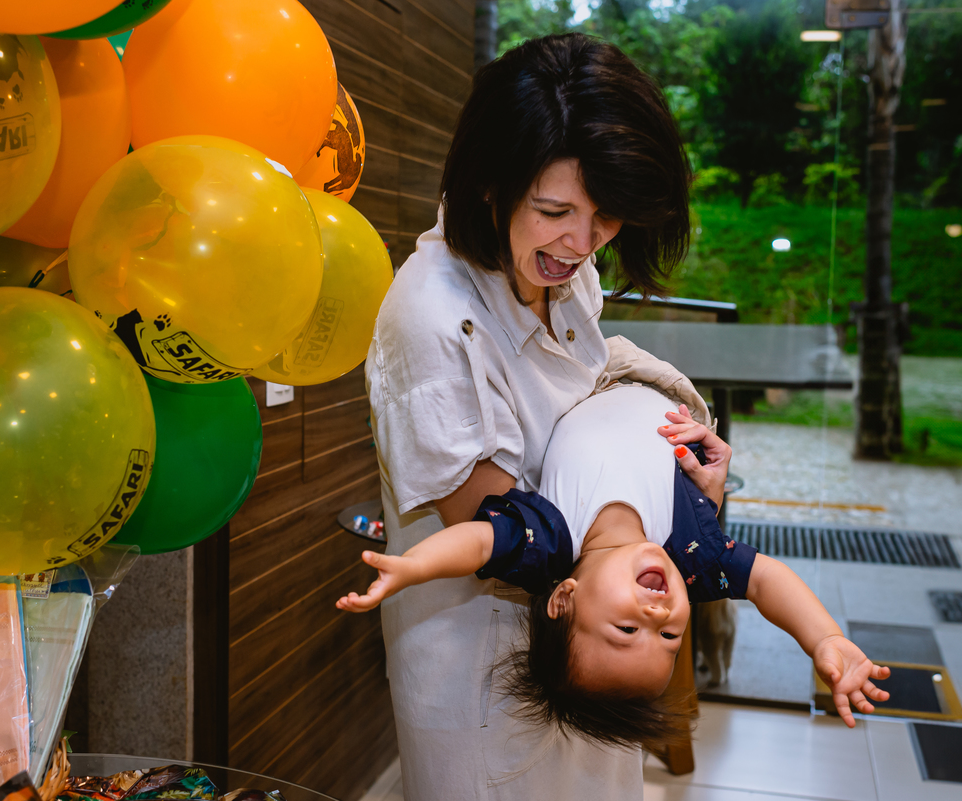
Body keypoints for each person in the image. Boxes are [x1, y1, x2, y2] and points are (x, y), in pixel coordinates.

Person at [367, 32, 701, 801]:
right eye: (555, 211)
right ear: (491, 183)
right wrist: (668, 521)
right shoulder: (434, 316)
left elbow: (584, 422)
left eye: (606, 216)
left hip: (590, 643)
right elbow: (514, 538)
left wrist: (676, 465)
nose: (581, 245)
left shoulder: (561, 272)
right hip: (492, 672)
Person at [341, 385, 892, 748]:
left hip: (594, 376)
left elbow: (478, 543)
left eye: (629, 629)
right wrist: (823, 638)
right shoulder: (693, 556)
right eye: (671, 634)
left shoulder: (548, 545)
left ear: (565, 598)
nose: (658, 614)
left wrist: (412, 567)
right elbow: (767, 578)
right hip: (663, 391)